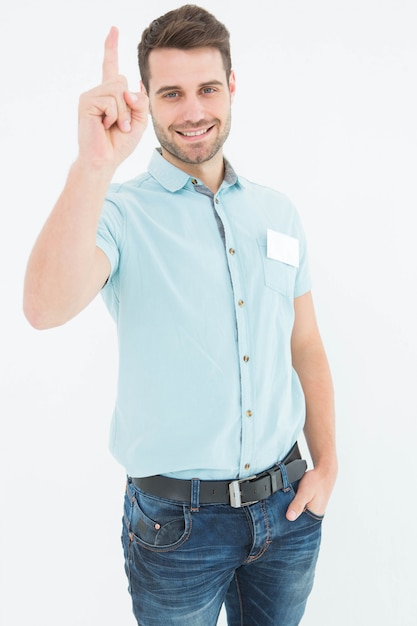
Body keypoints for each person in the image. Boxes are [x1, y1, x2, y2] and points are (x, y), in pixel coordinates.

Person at [23, 5, 337, 625]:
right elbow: (43, 308)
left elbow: (305, 344)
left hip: (288, 511)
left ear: (232, 87)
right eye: (171, 93)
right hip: (176, 529)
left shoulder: (278, 213)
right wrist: (94, 164)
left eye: (207, 89)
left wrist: (328, 467)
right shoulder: (117, 212)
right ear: (146, 99)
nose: (193, 111)